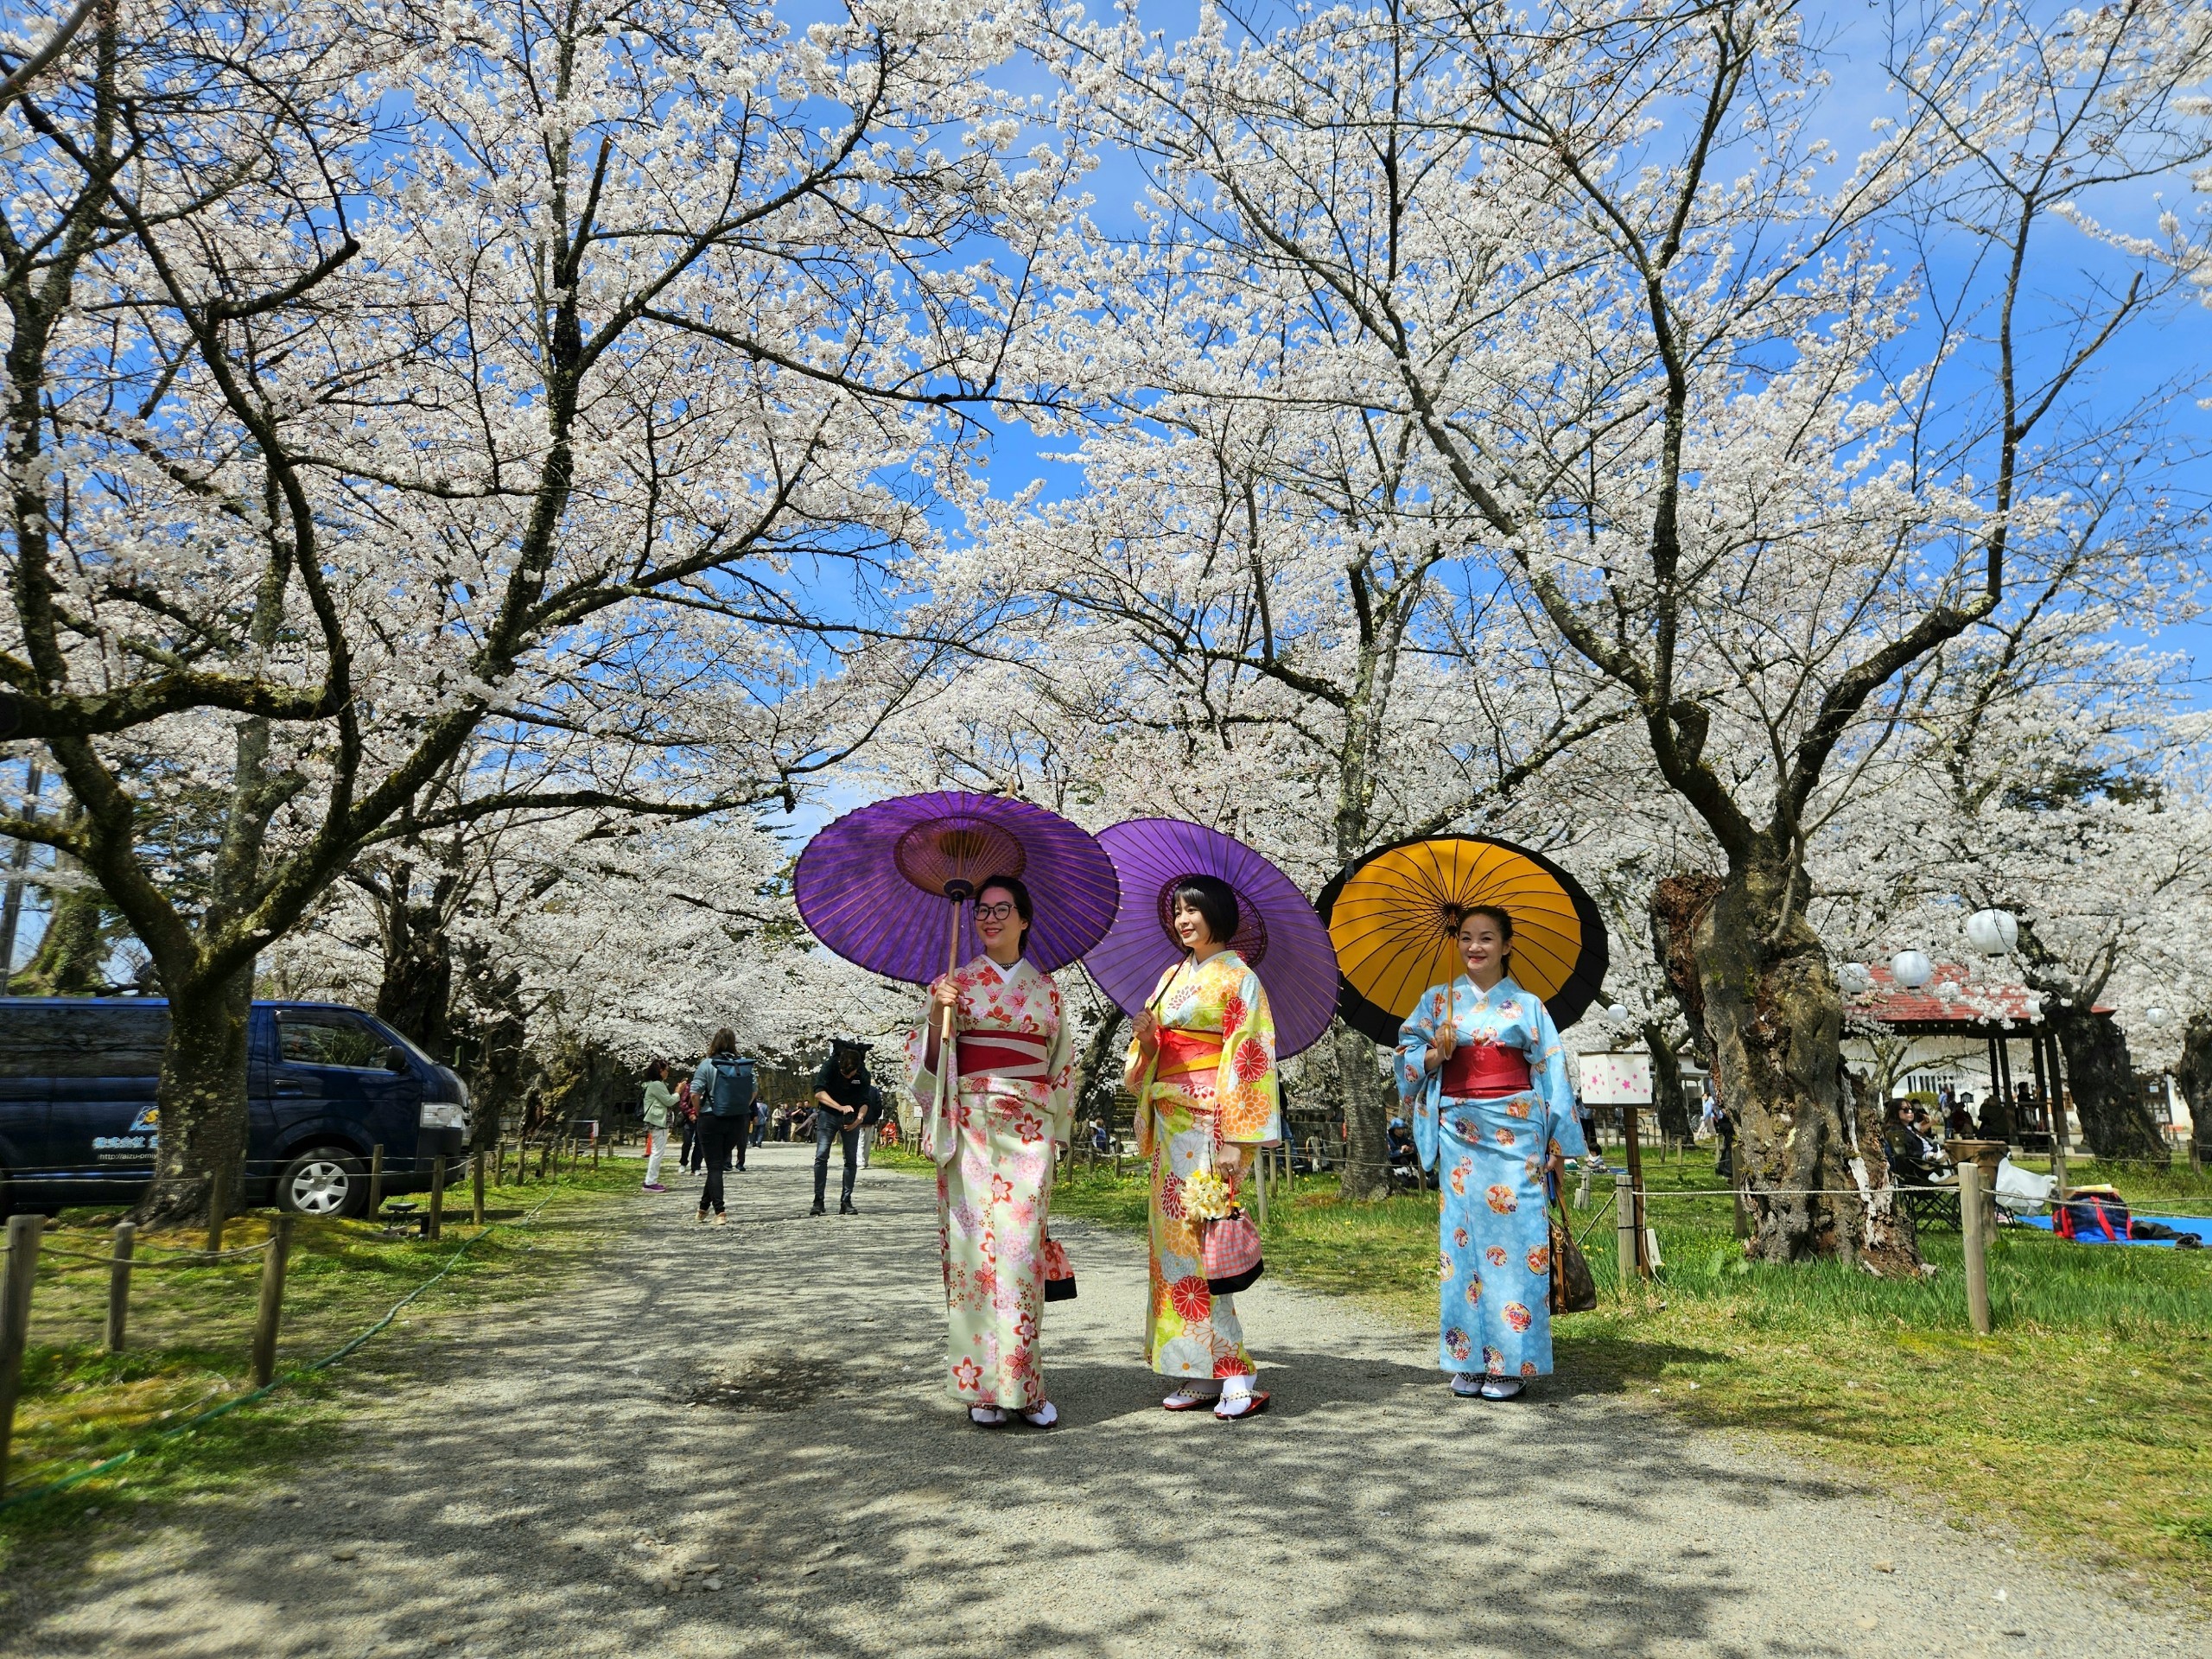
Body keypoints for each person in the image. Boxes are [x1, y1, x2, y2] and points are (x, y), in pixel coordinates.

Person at [1394, 905, 1584, 1402]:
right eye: (1466, 938)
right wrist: (1437, 1052)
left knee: (1519, 1243)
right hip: (1459, 1133)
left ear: (1505, 945)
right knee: (1462, 1245)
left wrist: (1556, 1146)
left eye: (1486, 938)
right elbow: (1407, 1059)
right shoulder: (1438, 1003)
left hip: (1515, 1134)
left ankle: (1510, 1360)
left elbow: (1552, 1075)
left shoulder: (1527, 1006)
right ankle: (1468, 1357)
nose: (1474, 947)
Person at [910, 874, 1076, 1429]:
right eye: (983, 910)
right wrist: (939, 1015)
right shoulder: (952, 983)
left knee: (1022, 1250)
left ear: (1025, 919)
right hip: (972, 1128)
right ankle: (984, 1388)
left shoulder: (1048, 990)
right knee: (974, 1256)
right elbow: (928, 1069)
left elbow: (1061, 1069)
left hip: (1028, 1128)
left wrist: (1054, 1130)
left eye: (1004, 909)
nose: (991, 918)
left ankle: (1025, 1386)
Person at [1124, 874, 1282, 1422]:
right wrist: (1147, 1042)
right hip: (1171, 1127)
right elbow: (1142, 1064)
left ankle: (1238, 1372)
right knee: (1172, 1250)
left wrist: (1238, 1140)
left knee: (1205, 1245)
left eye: (1193, 910)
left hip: (1211, 1126)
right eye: (1177, 911)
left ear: (1217, 913)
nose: (1183, 919)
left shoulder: (1240, 979)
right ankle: (1195, 1369)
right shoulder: (1171, 977)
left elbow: (1250, 1057)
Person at [689, 1030, 755, 1226]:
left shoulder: (707, 1064)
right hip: (736, 1119)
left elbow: (694, 1093)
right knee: (717, 1164)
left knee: (714, 1166)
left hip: (711, 1117)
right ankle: (702, 1207)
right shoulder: (743, 1064)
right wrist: (741, 1108)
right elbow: (753, 1091)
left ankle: (720, 1211)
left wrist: (699, 1111)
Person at [811, 1040, 875, 1215]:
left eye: (851, 1074)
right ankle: (818, 1200)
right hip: (828, 1115)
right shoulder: (830, 1066)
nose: (847, 1077)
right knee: (821, 1155)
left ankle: (846, 1201)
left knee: (851, 1160)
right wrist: (839, 1107)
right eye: (843, 1074)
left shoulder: (863, 1074)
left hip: (852, 1119)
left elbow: (865, 1101)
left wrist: (859, 1119)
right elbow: (818, 1092)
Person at [640, 1058, 678, 1192]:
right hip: (658, 1122)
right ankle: (650, 1182)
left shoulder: (654, 1084)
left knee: (657, 1152)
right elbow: (669, 1101)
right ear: (660, 1071)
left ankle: (650, 1180)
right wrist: (678, 1092)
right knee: (657, 1152)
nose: (668, 1072)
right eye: (667, 1070)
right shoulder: (656, 1084)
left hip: (658, 1121)